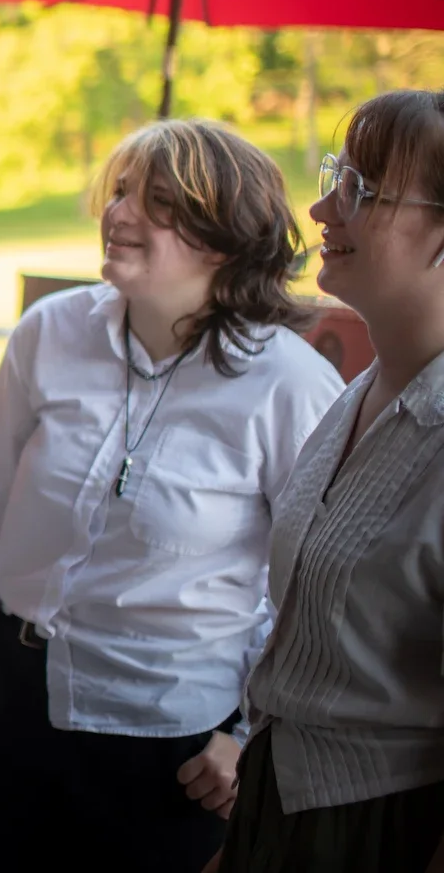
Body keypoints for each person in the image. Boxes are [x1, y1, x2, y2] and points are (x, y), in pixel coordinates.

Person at [0, 120, 346, 873]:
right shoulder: (49, 333)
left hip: (175, 749)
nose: (117, 213)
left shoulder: (290, 384)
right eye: (118, 191)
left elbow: (315, 585)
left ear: (223, 235)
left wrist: (249, 730)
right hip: (16, 710)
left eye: (155, 201)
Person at [212, 90, 444, 873]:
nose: (319, 206)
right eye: (335, 177)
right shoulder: (360, 391)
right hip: (281, 808)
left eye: (361, 190)